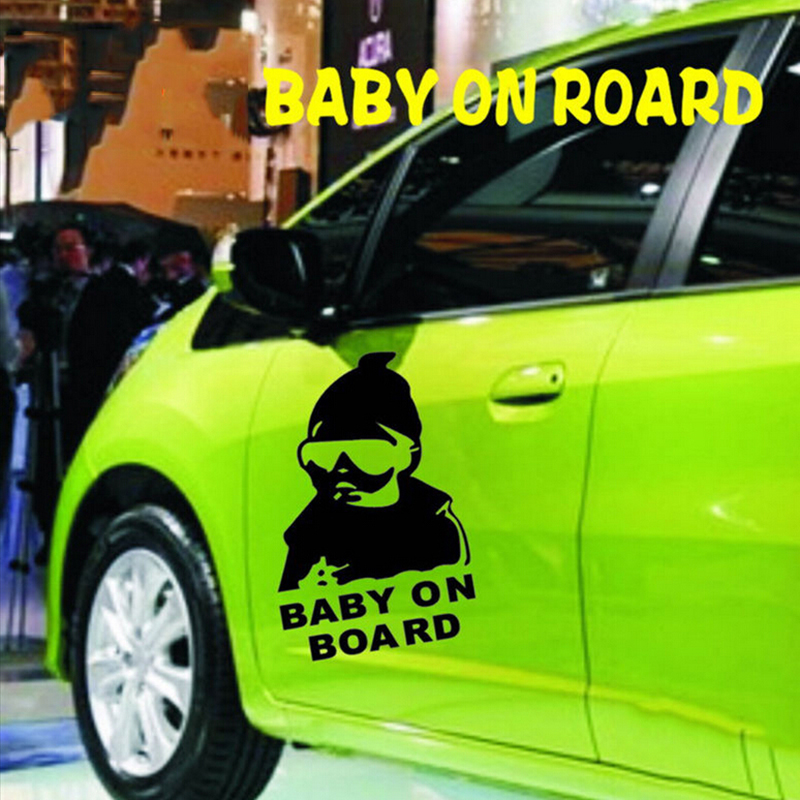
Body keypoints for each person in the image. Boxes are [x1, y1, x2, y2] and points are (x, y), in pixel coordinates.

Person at [278, 352, 470, 591]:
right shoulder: (310, 532)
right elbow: (290, 593)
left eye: (365, 453)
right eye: (323, 456)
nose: (341, 469)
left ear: (408, 454)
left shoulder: (434, 523)